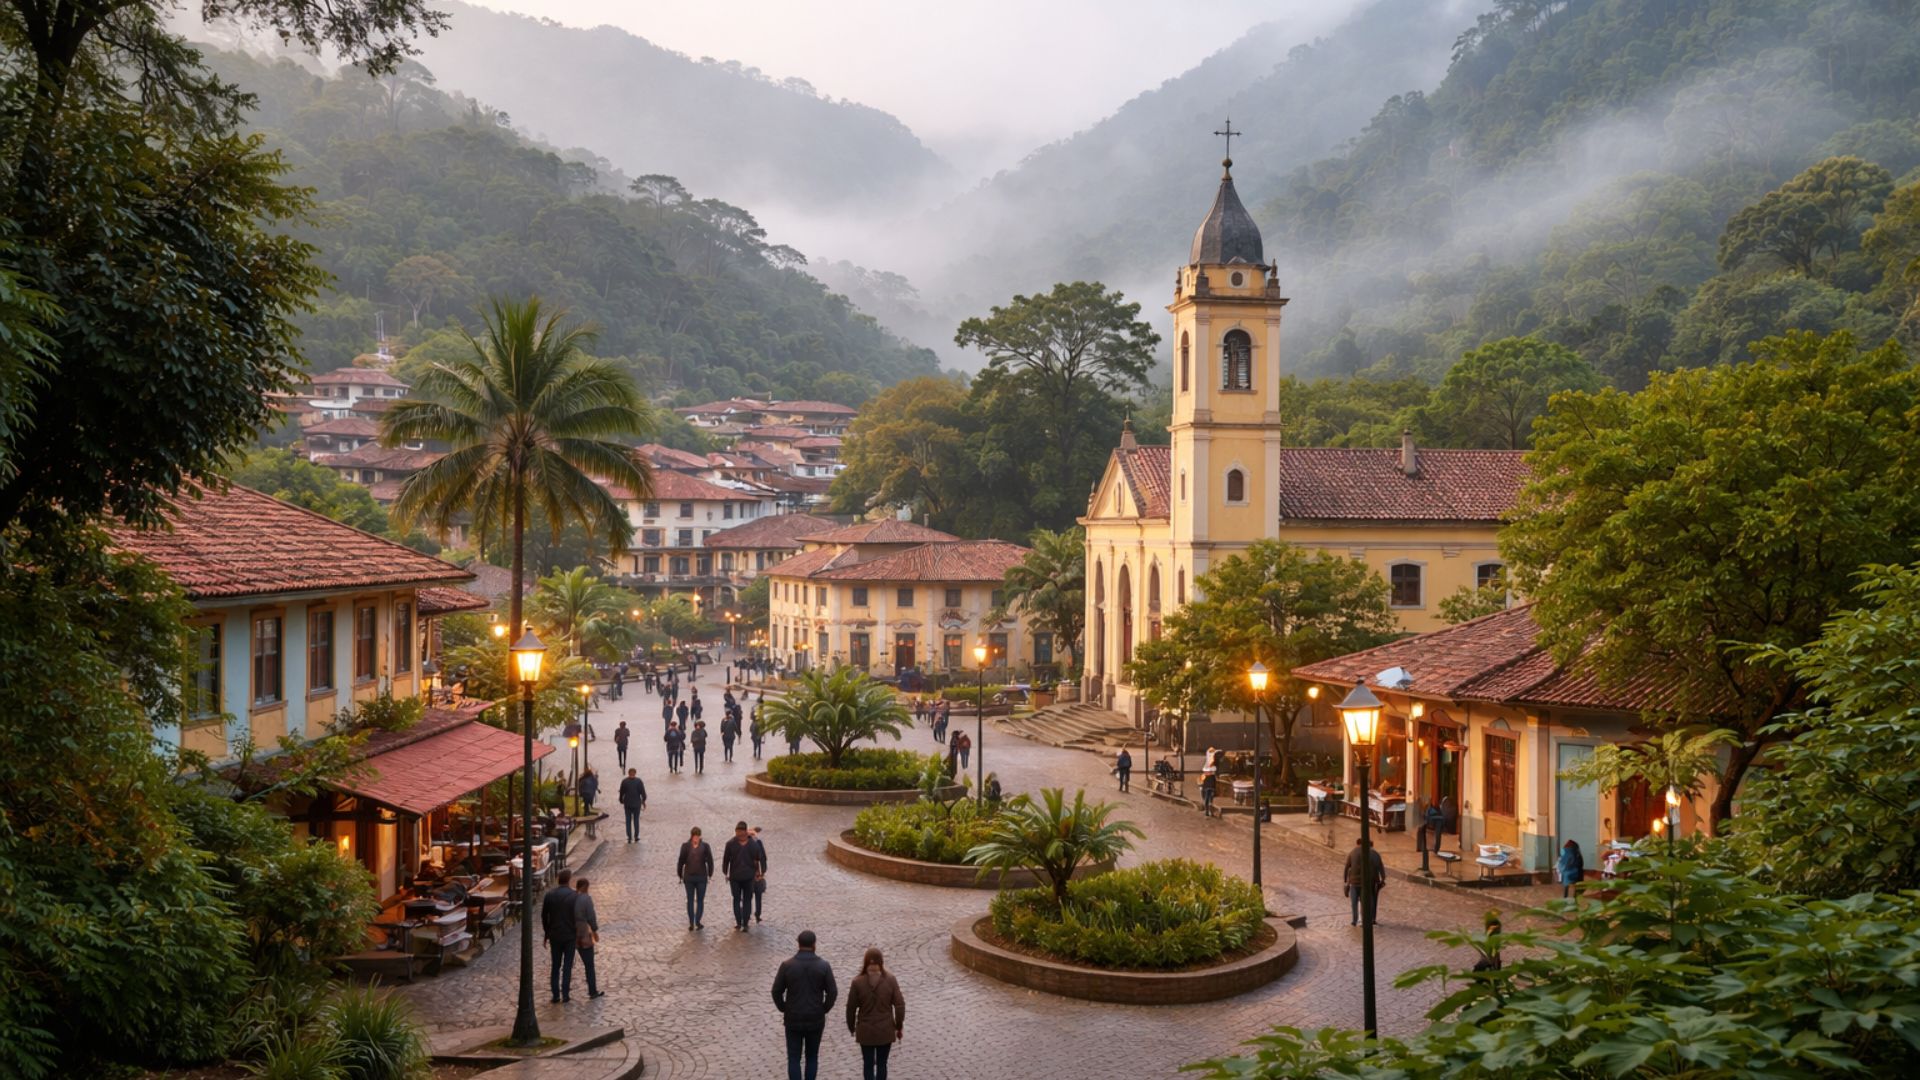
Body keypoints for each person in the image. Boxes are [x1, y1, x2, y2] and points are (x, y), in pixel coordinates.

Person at [772, 930, 838, 1080]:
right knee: (812, 1057)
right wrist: (823, 1009)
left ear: (798, 943)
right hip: (815, 1017)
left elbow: (776, 991)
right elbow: (832, 992)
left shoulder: (787, 965)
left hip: (793, 1017)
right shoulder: (823, 966)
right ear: (814, 944)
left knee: (794, 1058)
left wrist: (784, 1007)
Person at [845, 947, 905, 1080]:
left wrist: (851, 1027)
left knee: (867, 1064)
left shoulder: (857, 982)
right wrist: (899, 1025)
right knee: (882, 1064)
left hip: (865, 1031)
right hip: (885, 1030)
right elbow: (899, 1005)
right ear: (881, 961)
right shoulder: (890, 979)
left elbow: (851, 1007)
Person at [540, 867, 580, 1002]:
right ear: (569, 880)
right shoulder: (575, 896)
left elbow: (544, 916)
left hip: (555, 935)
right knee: (567, 965)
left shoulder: (550, 895)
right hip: (570, 935)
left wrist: (547, 933)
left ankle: (555, 994)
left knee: (555, 965)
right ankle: (566, 994)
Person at [722, 820, 768, 931]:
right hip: (735, 878)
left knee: (747, 899)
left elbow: (759, 859)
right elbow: (726, 860)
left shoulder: (753, 845)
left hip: (748, 878)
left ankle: (745, 923)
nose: (739, 834)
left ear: (745, 832)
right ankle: (739, 922)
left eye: (741, 832)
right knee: (737, 899)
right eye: (737, 831)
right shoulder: (730, 844)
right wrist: (726, 873)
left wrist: (760, 873)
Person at [677, 826, 714, 930]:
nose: (696, 838)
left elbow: (710, 861)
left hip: (701, 877)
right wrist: (680, 874)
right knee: (690, 899)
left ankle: (697, 921)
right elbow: (681, 861)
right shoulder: (685, 846)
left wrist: (710, 874)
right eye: (694, 836)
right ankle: (691, 922)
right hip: (689, 877)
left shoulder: (705, 846)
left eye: (698, 836)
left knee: (700, 900)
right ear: (691, 836)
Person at [574, 877, 604, 998]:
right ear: (585, 887)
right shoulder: (586, 899)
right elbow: (591, 916)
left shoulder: (571, 898)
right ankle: (592, 990)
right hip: (582, 933)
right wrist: (595, 930)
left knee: (566, 964)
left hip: (570, 933)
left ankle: (564, 993)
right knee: (589, 964)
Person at [1344, 838, 1386, 926]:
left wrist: (1346, 882)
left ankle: (1354, 920)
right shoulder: (1374, 854)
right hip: (1370, 882)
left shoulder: (1352, 852)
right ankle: (1370, 919)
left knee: (1354, 903)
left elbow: (1347, 867)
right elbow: (1380, 868)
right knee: (1369, 902)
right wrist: (1382, 879)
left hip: (1354, 882)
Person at [618, 768, 647, 843]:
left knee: (628, 820)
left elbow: (621, 793)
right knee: (636, 820)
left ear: (628, 773)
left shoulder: (624, 781)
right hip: (637, 804)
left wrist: (621, 800)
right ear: (635, 773)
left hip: (627, 803)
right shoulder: (639, 781)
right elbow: (643, 793)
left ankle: (629, 837)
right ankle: (636, 836)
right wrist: (643, 800)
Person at [750, 825, 768, 922]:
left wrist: (762, 872)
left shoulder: (757, 843)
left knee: (756, 896)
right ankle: (752, 914)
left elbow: (764, 858)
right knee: (752, 896)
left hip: (756, 875)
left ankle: (756, 914)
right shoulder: (753, 843)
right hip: (751, 875)